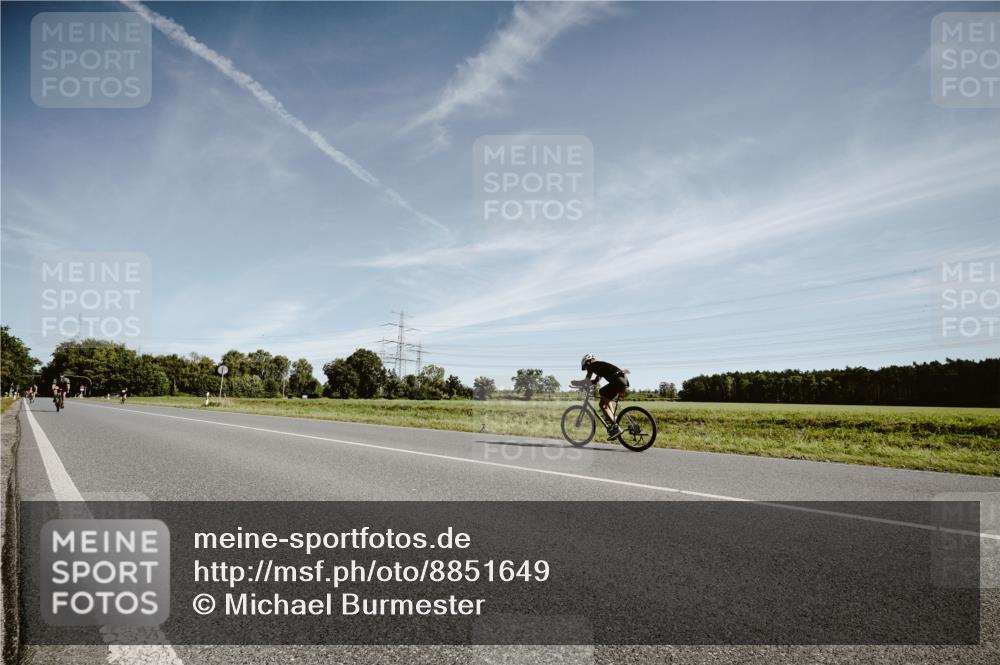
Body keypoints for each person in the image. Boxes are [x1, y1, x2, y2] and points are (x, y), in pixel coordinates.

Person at [576, 354, 629, 437]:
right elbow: (596, 381)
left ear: (588, 362)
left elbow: (587, 380)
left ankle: (616, 428)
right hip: (623, 380)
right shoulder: (600, 365)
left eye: (586, 366)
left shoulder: (592, 366)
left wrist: (577, 383)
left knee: (602, 404)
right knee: (602, 392)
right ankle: (612, 417)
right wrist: (593, 383)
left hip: (617, 382)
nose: (587, 369)